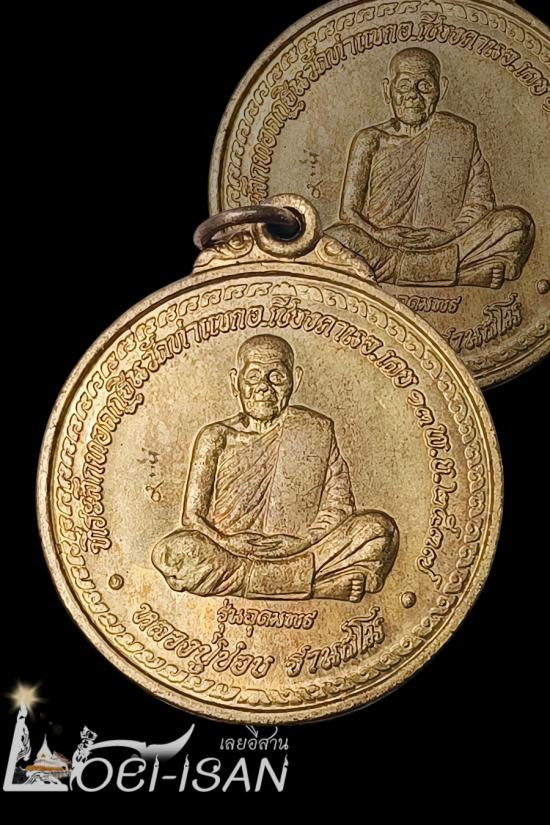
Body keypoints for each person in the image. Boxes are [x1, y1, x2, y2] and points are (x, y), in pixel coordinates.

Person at [152, 334, 398, 602]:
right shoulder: (216, 437)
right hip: (229, 551)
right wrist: (226, 541)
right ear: (235, 382)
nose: (263, 387)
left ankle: (256, 581)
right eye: (253, 376)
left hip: (299, 549)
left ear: (295, 380)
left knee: (378, 530)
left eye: (276, 377)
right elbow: (192, 517)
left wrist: (303, 541)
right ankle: (319, 586)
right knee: (176, 551)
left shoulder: (315, 430)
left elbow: (339, 505)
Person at [328, 48, 534, 288]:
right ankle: (462, 275)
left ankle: (405, 271)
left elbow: (481, 202)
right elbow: (348, 212)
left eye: (424, 85)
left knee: (516, 224)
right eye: (403, 85)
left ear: (441, 89)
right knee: (336, 240)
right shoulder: (370, 139)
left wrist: (447, 234)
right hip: (381, 242)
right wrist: (379, 234)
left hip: (444, 242)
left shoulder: (459, 134)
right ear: (387, 90)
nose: (413, 95)